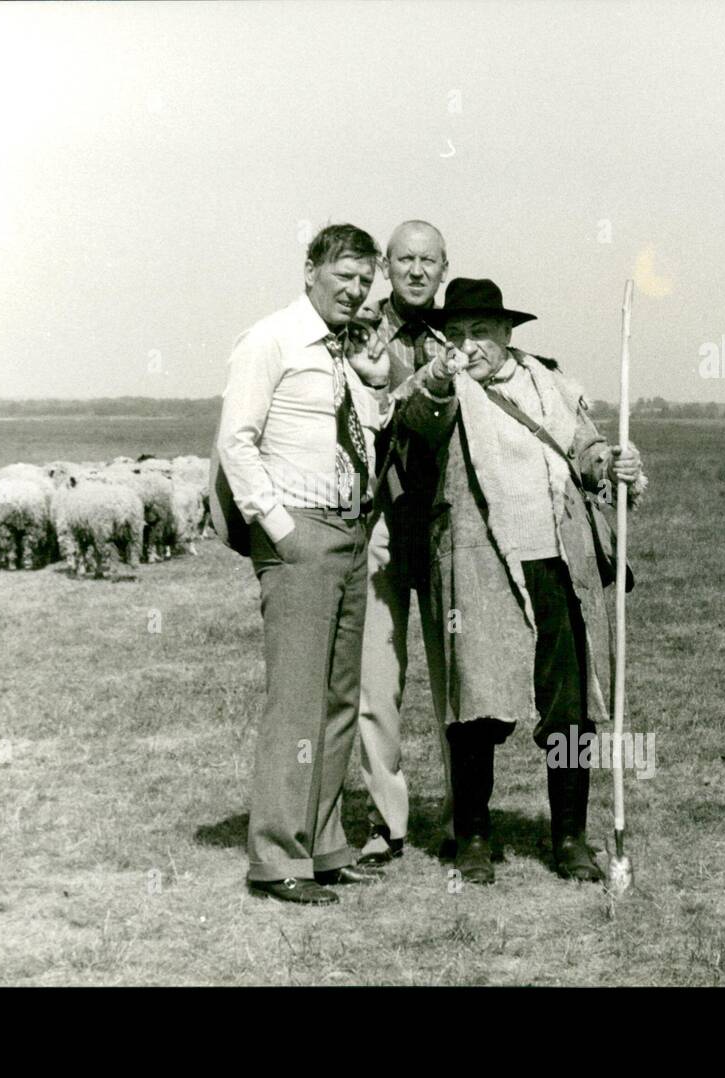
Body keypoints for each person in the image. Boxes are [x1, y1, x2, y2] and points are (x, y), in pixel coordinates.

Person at [399, 277, 645, 884]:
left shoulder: (549, 383)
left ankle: (570, 838)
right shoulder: (438, 387)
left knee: (571, 710)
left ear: (508, 335)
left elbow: (584, 449)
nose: (468, 346)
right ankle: (474, 837)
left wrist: (611, 463)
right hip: (477, 566)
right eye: (455, 334)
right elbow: (417, 422)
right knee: (476, 705)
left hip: (559, 562)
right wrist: (436, 378)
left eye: (481, 333)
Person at [215, 223, 393, 905]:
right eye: (343, 276)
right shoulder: (271, 341)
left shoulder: (348, 353)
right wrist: (282, 531)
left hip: (349, 531)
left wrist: (381, 391)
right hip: (301, 535)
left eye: (363, 279)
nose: (355, 290)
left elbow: (355, 429)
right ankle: (277, 858)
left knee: (339, 699)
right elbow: (237, 440)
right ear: (311, 270)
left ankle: (323, 845)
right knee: (296, 700)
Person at [352, 220, 457, 865]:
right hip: (380, 525)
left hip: (448, 529)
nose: (416, 271)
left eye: (429, 260)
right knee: (376, 682)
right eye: (404, 260)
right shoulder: (358, 336)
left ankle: (459, 818)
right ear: (386, 267)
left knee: (456, 680)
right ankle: (386, 824)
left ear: (445, 268)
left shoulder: (462, 339)